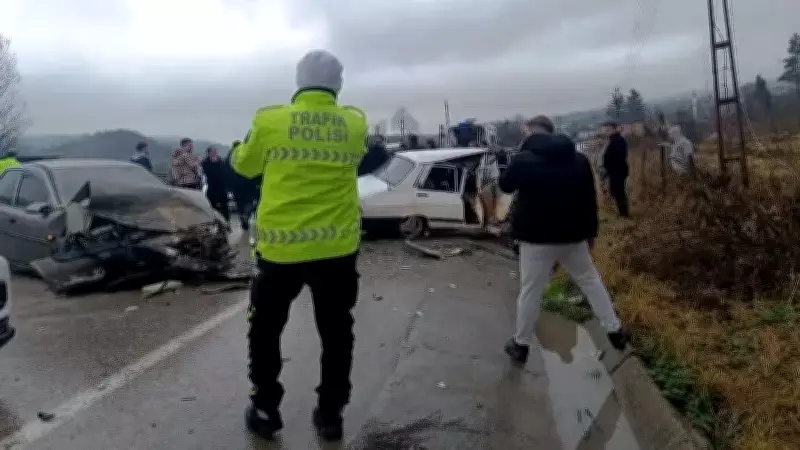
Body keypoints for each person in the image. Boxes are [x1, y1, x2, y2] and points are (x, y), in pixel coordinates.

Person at [230, 49, 368, 442]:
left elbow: (244, 165)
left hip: (280, 251)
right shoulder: (354, 123)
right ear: (338, 84)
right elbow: (358, 159)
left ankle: (265, 407)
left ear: (298, 81)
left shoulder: (270, 120)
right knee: (337, 332)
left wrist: (237, 150)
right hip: (336, 249)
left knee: (265, 329)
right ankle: (331, 414)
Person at [498, 129, 630, 365]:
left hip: (535, 240)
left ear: (530, 145)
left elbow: (505, 186)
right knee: (590, 281)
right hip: (573, 237)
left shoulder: (523, 161)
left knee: (531, 291)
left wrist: (509, 166)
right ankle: (615, 331)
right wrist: (591, 233)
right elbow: (589, 200)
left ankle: (521, 345)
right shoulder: (579, 160)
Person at [225, 140, 259, 230]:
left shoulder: (229, 158)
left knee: (240, 203)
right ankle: (246, 215)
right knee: (251, 201)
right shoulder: (245, 156)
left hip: (235, 185)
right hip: (248, 183)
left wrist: (228, 187)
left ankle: (243, 219)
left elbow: (225, 172)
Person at [599, 121, 630, 218]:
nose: (606, 131)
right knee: (616, 191)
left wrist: (607, 169)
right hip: (615, 171)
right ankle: (622, 212)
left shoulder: (618, 140)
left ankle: (624, 213)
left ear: (614, 129)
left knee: (619, 192)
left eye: (608, 129)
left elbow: (617, 157)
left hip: (618, 171)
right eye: (606, 130)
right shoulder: (613, 140)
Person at [201, 147, 230, 221]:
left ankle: (226, 220)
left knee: (224, 205)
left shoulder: (221, 161)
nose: (214, 153)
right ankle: (212, 219)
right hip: (212, 186)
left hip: (221, 186)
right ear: (209, 153)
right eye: (213, 152)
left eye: (215, 152)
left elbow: (225, 171)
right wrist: (214, 163)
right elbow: (207, 172)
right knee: (212, 204)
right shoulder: (205, 162)